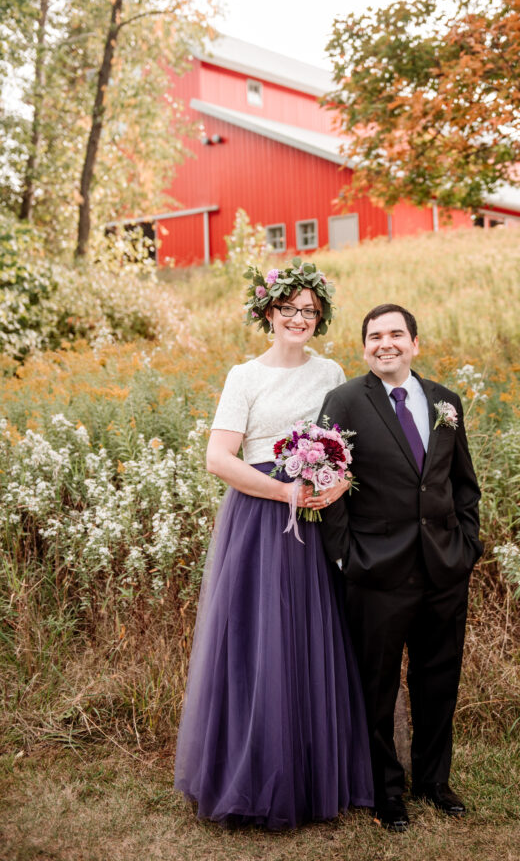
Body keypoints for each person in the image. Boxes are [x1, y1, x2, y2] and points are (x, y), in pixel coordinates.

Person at [174, 261, 373, 830]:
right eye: (289, 309)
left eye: (310, 311)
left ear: (320, 318)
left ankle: (318, 773)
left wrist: (333, 482)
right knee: (262, 642)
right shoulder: (245, 376)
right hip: (260, 522)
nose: (299, 319)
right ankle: (254, 773)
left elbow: (344, 442)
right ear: (268, 312)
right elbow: (218, 459)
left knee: (314, 637)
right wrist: (284, 490)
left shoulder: (331, 371)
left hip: (314, 523)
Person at [318, 303, 483, 832]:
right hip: (377, 571)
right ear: (363, 347)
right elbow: (326, 487)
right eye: (374, 336)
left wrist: (468, 544)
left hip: (444, 567)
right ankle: (385, 791)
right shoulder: (343, 401)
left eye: (395, 334)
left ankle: (433, 781)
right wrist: (345, 555)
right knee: (377, 685)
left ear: (414, 343)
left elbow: (463, 482)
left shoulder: (445, 401)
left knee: (439, 679)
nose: (384, 343)